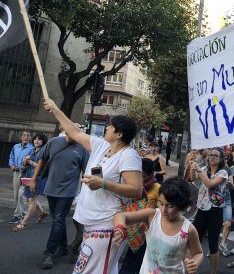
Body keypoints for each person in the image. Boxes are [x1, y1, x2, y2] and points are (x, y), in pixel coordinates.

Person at [42, 98, 142, 274]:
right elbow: (73, 131)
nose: (106, 128)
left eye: (110, 126)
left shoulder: (129, 155)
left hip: (108, 223)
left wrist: (103, 183)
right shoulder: (101, 145)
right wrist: (56, 109)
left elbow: (136, 189)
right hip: (91, 221)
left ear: (119, 134)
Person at [113, 177, 203, 274]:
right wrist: (120, 228)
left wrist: (194, 263)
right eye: (161, 203)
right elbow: (121, 216)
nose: (163, 210)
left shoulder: (188, 229)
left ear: (182, 205)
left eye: (170, 206)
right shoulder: (152, 216)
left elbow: (198, 253)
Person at [30, 124, 89, 270]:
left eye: (78, 131)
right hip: (51, 189)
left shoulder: (81, 148)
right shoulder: (54, 142)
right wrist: (34, 178)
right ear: (66, 131)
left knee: (58, 220)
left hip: (68, 192)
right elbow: (42, 160)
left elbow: (86, 170)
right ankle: (63, 247)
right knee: (58, 219)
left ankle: (49, 253)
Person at [189, 148, 228, 274]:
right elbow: (192, 178)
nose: (212, 157)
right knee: (194, 240)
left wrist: (199, 169)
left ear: (221, 159)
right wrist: (192, 165)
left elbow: (210, 184)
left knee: (212, 243)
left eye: (216, 155)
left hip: (215, 211)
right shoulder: (204, 169)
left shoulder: (223, 172)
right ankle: (190, 270)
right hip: (201, 209)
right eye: (211, 155)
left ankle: (213, 272)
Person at [119, 158, 161, 274]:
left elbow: (162, 208)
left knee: (137, 261)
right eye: (139, 175)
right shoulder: (132, 185)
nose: (141, 179)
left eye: (144, 176)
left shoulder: (157, 188)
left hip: (146, 231)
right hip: (131, 227)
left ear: (151, 174)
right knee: (129, 259)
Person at [12, 133, 49, 231]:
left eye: (39, 139)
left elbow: (42, 167)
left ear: (43, 141)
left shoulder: (44, 152)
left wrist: (30, 162)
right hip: (28, 178)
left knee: (31, 200)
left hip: (37, 179)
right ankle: (42, 212)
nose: (36, 141)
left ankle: (24, 222)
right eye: (35, 139)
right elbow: (26, 165)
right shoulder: (32, 151)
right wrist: (24, 163)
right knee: (29, 199)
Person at [8, 130, 34, 224]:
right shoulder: (16, 147)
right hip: (16, 172)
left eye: (28, 135)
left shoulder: (32, 148)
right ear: (21, 137)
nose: (26, 137)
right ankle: (27, 212)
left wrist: (26, 166)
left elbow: (31, 160)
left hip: (26, 173)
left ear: (30, 138)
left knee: (21, 195)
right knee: (16, 195)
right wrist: (11, 165)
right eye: (24, 135)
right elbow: (11, 157)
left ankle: (17, 215)